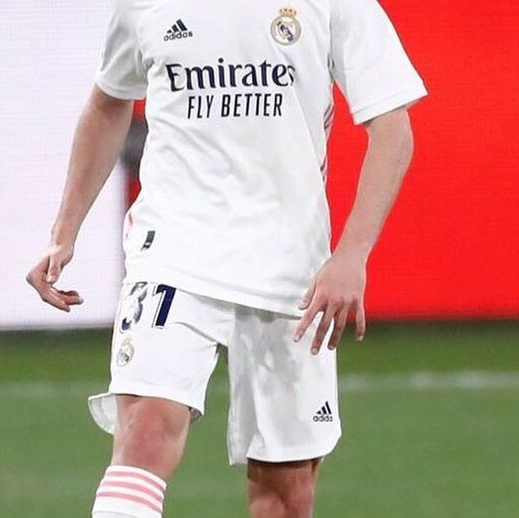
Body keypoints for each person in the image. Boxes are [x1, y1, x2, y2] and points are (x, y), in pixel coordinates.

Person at [26, 0, 426, 516]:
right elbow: (109, 102)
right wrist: (64, 232)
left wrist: (352, 255)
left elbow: (393, 128)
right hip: (173, 250)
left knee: (286, 491)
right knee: (145, 432)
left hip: (291, 270)